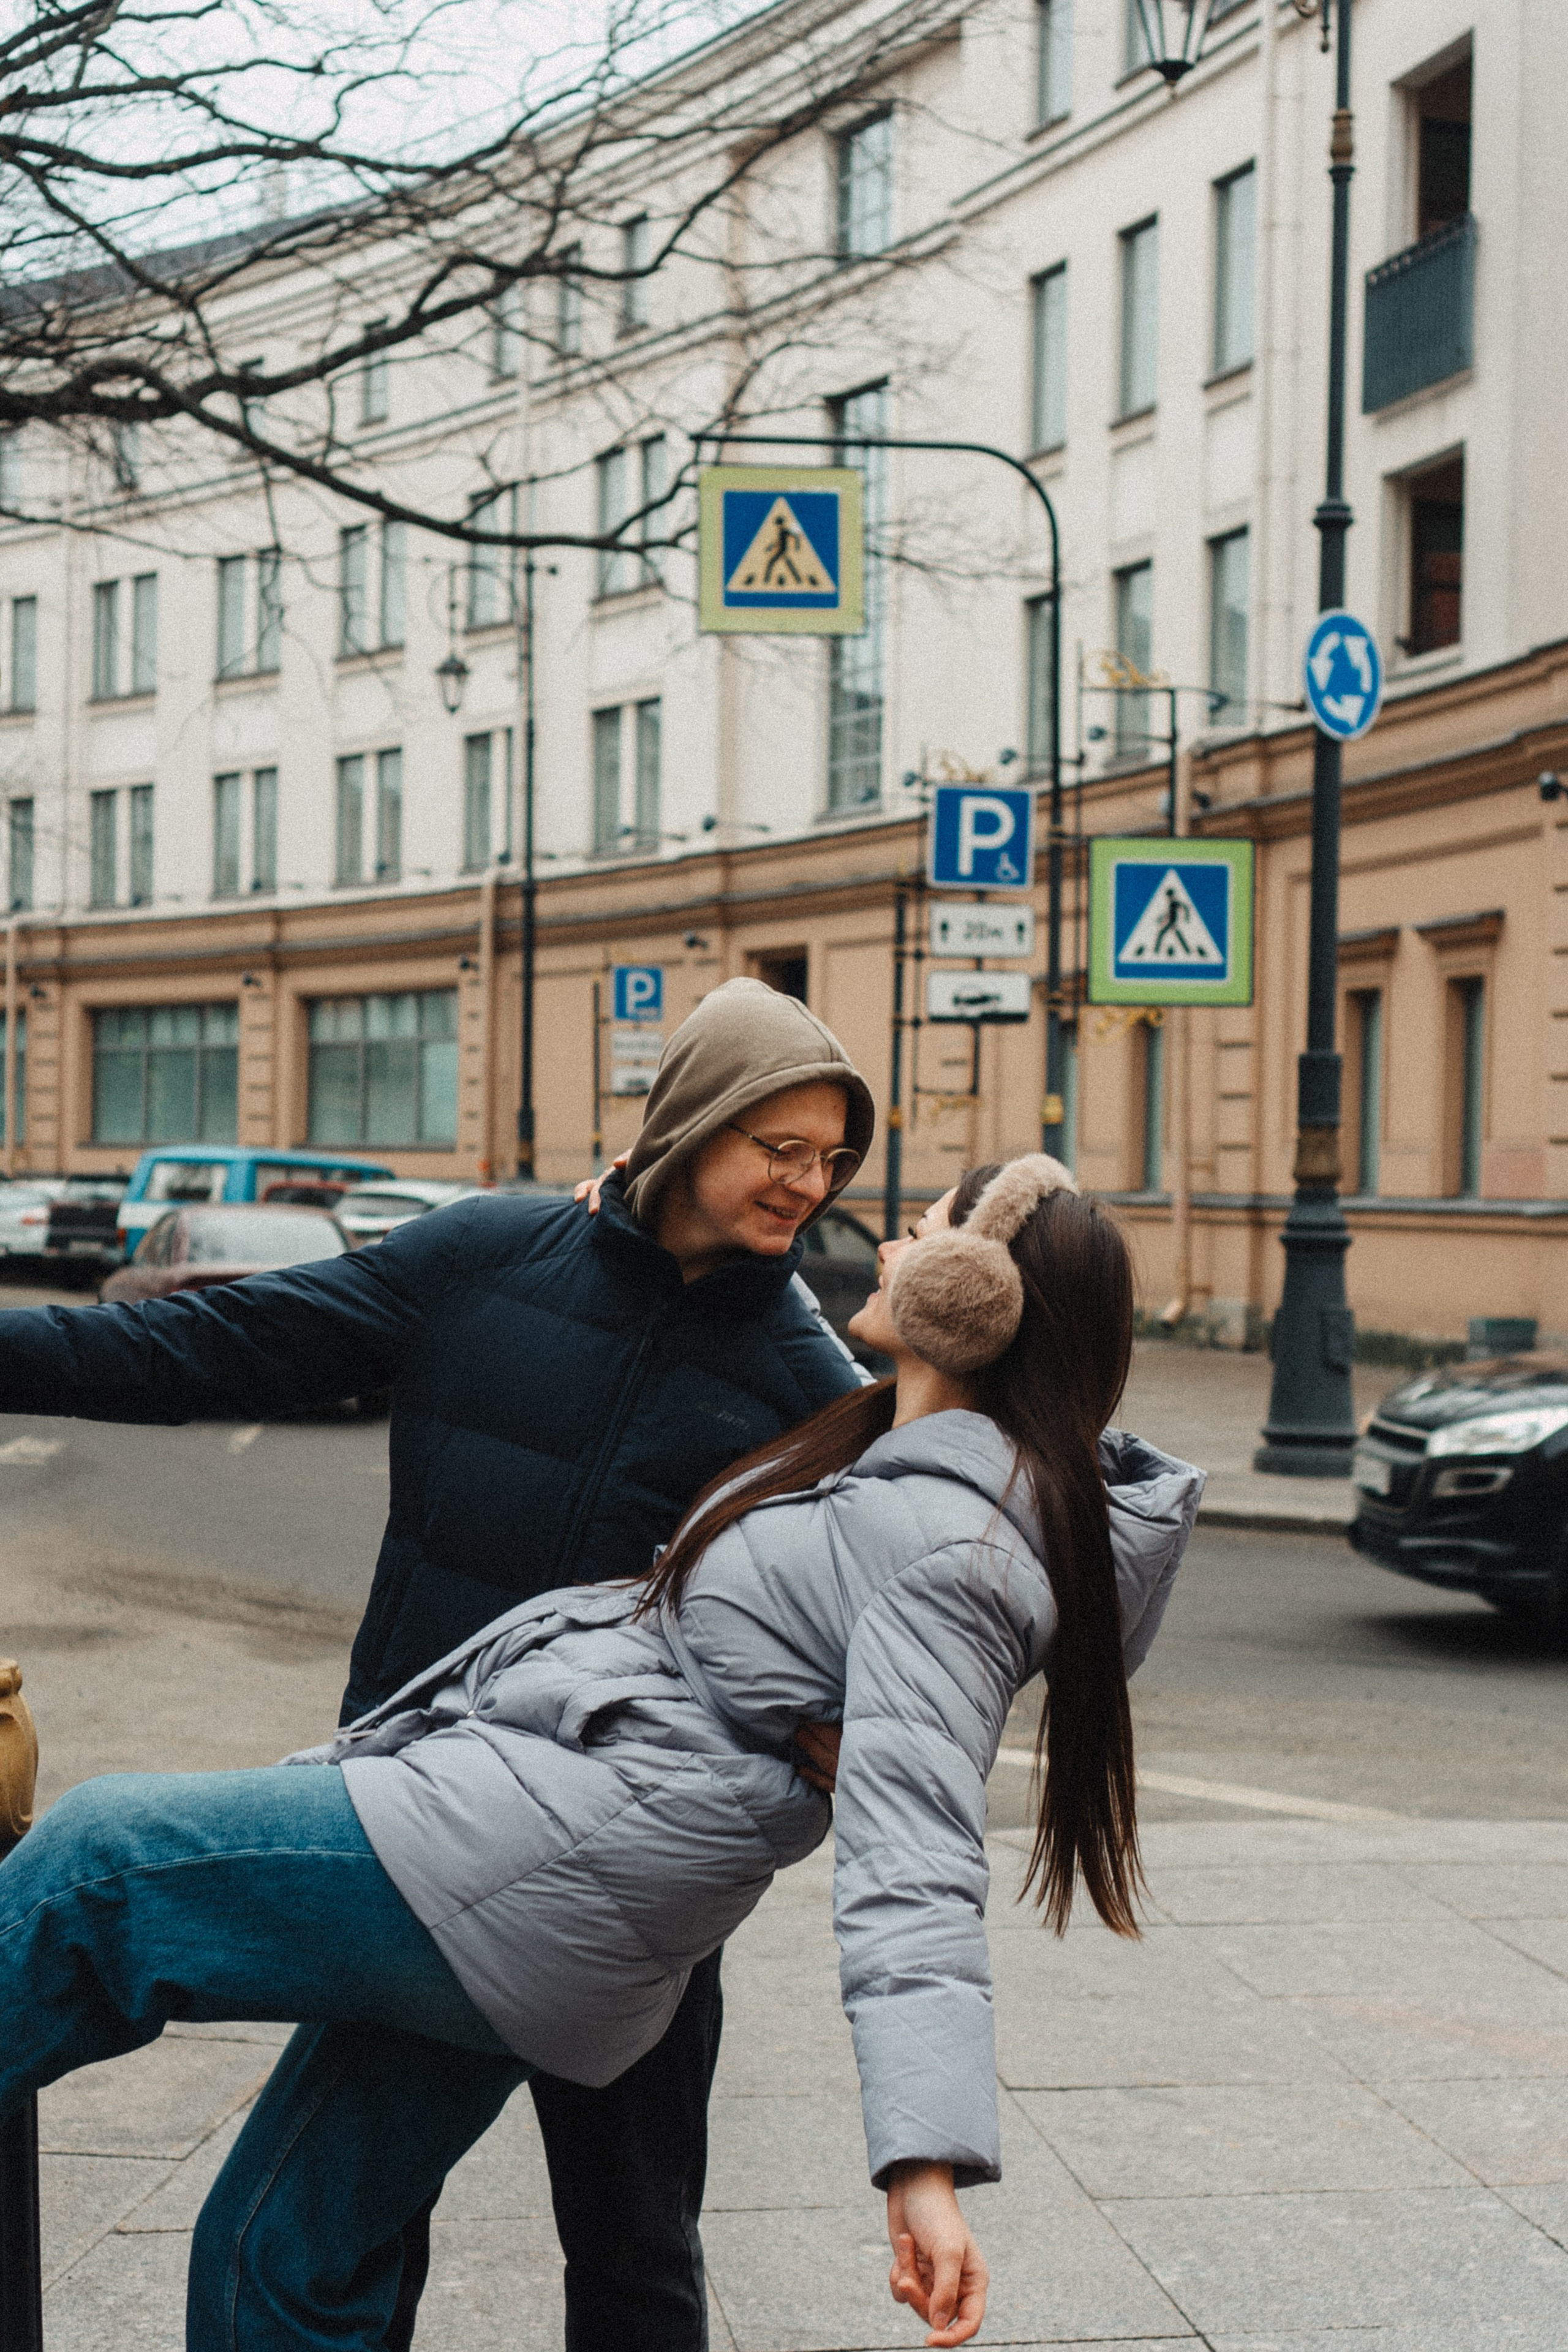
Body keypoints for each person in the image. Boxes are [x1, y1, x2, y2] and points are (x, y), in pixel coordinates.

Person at [1, 1155, 1202, 2351]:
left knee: (105, 1869)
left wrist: (923, 2166)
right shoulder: (906, 1464)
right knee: (287, 2248)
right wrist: (644, 1193)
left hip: (541, 1862)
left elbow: (918, 1861)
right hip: (547, 1889)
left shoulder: (953, 1547)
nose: (883, 1241)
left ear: (974, 1297)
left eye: (920, 1229)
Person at [0, 976, 880, 2352]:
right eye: (781, 1147)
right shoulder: (481, 1257)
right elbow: (199, 1346)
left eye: (830, 1160)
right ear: (691, 1121)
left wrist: (843, 1717)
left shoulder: (807, 1392)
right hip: (420, 1819)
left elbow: (918, 1609)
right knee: (335, 2231)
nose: (808, 1184)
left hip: (613, 1871)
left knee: (634, 2248)